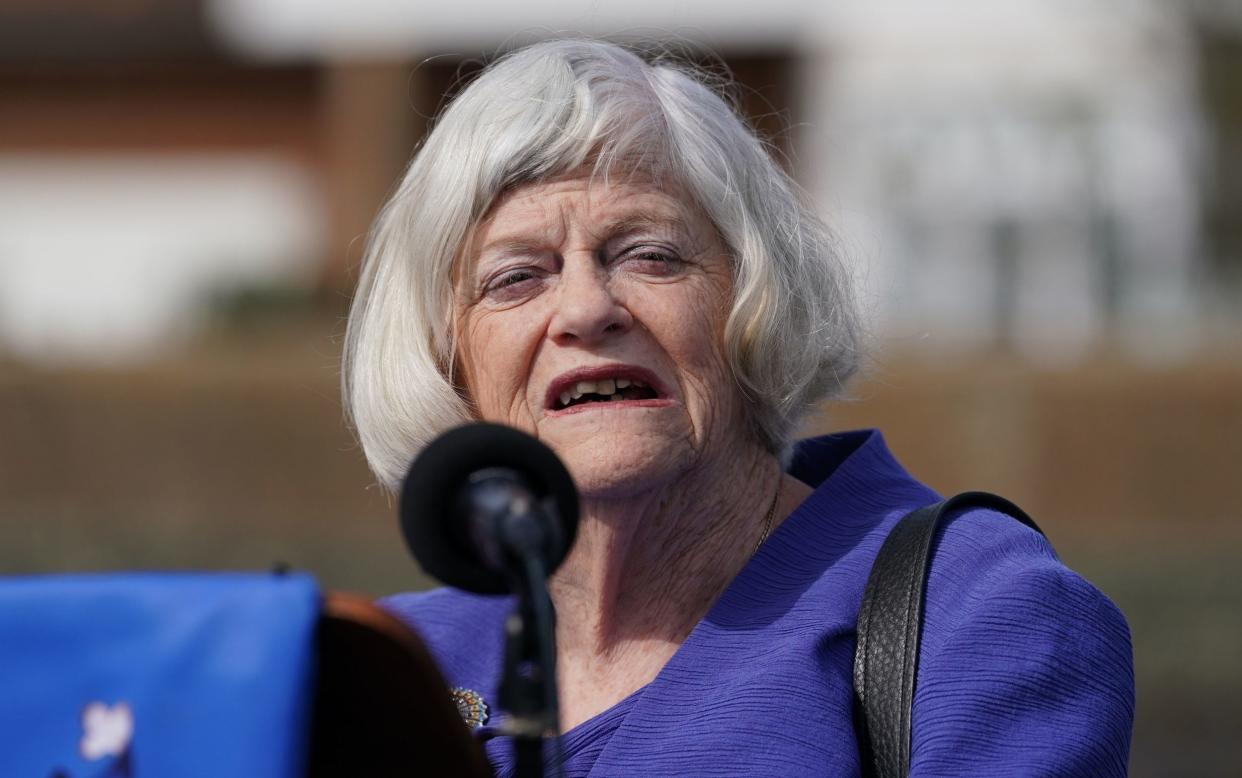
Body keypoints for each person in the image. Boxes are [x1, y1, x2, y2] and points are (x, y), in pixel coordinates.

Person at [343, 39, 1134, 775]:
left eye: (649, 254)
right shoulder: (386, 667)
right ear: (449, 358)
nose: (586, 309)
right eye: (517, 276)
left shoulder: (981, 614)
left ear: (755, 303)